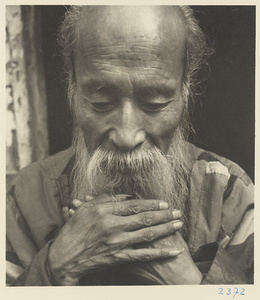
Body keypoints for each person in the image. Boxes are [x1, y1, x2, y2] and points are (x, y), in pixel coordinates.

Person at [6, 6, 254, 286]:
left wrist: (186, 281)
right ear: (71, 88)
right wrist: (54, 267)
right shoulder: (26, 201)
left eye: (154, 104)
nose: (126, 136)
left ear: (186, 90)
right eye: (101, 103)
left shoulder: (229, 195)